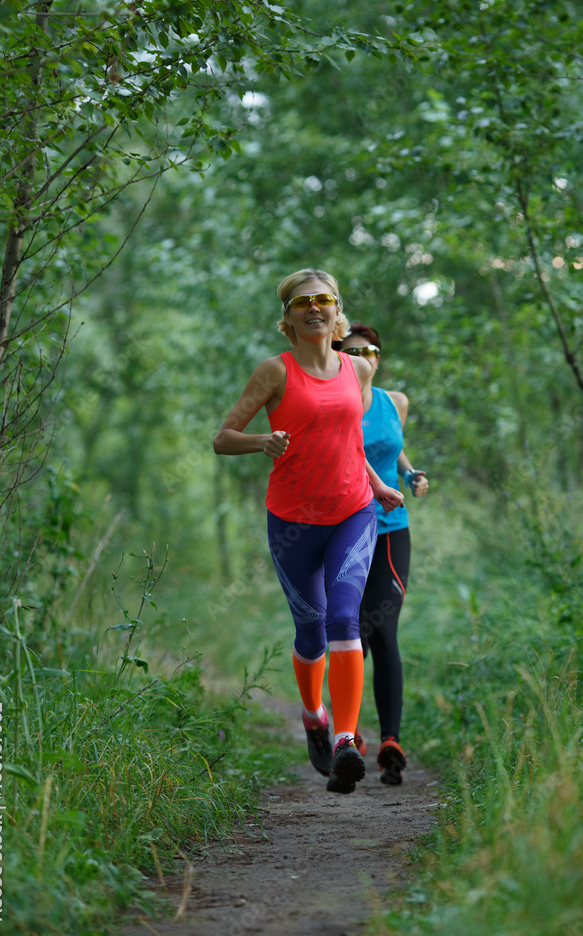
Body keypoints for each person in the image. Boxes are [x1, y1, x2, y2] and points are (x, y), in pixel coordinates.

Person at [213, 271, 404, 794]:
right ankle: (314, 715)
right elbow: (222, 439)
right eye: (304, 302)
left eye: (324, 300)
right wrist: (263, 443)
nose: (315, 309)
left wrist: (377, 484)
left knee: (345, 616)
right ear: (289, 315)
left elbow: (348, 443)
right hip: (293, 520)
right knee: (311, 626)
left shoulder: (358, 369)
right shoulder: (275, 372)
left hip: (352, 512)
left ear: (337, 309)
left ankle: (345, 739)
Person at [335, 323, 428, 785]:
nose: (363, 356)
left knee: (383, 630)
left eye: (370, 349)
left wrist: (412, 474)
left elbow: (393, 444)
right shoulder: (332, 400)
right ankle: (347, 739)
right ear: (339, 356)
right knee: (352, 634)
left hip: (392, 529)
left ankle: (390, 739)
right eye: (352, 350)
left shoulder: (396, 401)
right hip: (346, 528)